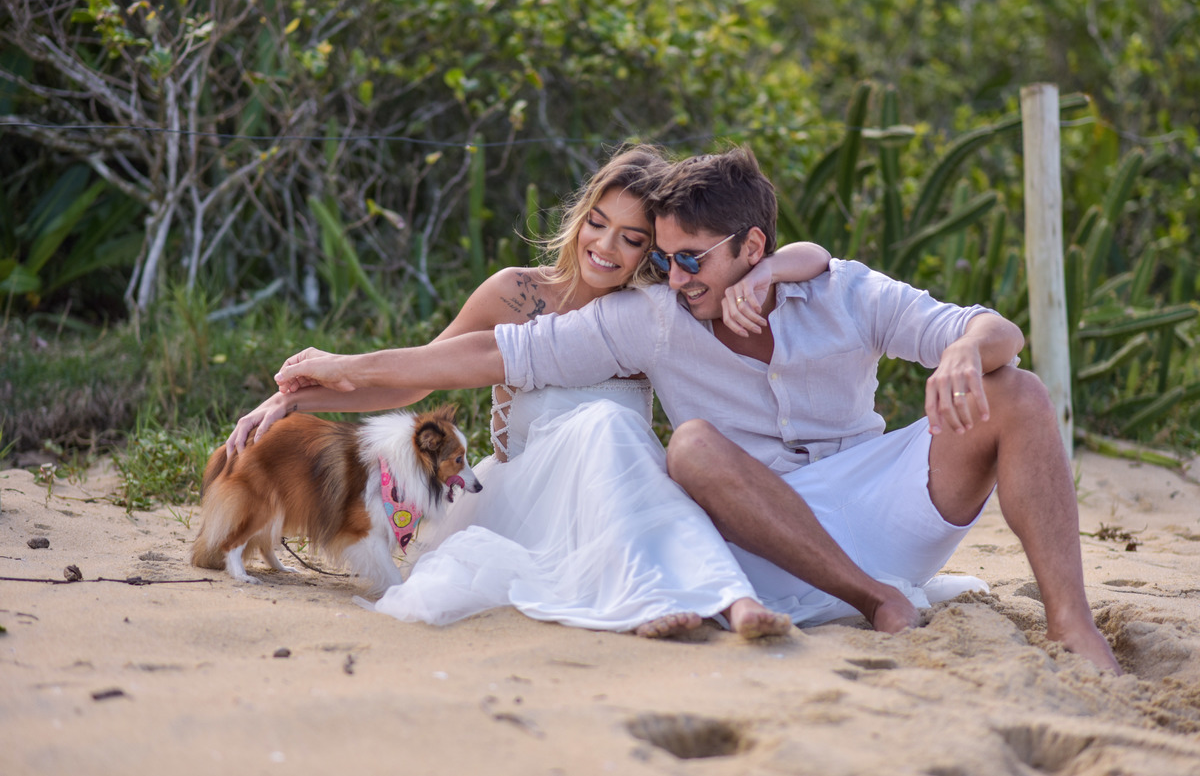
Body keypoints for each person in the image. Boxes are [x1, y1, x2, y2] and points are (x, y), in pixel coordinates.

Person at [273, 145, 1122, 674]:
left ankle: (1072, 622)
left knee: (1019, 389)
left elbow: (985, 326)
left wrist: (968, 349)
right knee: (693, 446)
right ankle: (875, 601)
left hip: (878, 498)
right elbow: (494, 353)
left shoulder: (841, 290)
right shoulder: (650, 317)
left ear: (752, 249)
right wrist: (346, 368)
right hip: (764, 538)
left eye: (688, 260)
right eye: (664, 258)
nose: (671, 280)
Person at [230, 144, 832, 639]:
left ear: (655, 251)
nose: (605, 247)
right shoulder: (516, 293)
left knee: (617, 438)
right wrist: (295, 399)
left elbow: (813, 256)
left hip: (611, 500)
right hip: (521, 497)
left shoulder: (661, 306)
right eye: (598, 223)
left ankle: (681, 593)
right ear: (579, 217)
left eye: (632, 238)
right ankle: (652, 596)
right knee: (607, 426)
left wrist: (771, 271)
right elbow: (420, 373)